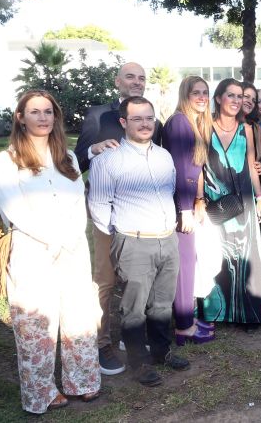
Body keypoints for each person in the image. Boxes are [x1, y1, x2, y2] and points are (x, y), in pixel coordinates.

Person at [0, 90, 100, 413]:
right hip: (32, 249)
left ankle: (82, 380)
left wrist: (71, 238)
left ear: (56, 117)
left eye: (48, 112)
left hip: (73, 247)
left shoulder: (66, 157)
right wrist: (50, 240)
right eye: (35, 112)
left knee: (78, 316)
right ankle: (41, 391)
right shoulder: (7, 161)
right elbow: (12, 207)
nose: (43, 118)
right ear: (20, 117)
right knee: (36, 324)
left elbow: (79, 200)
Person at [89, 96, 190, 387]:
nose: (145, 124)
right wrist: (122, 234)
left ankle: (161, 351)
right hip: (134, 241)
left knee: (162, 303)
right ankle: (138, 362)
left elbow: (169, 192)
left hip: (167, 239)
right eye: (137, 119)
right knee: (133, 308)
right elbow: (98, 206)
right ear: (123, 122)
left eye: (149, 118)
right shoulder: (108, 160)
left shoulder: (164, 156)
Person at [74, 61, 159, 376]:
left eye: (141, 77)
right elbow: (76, 161)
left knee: (137, 276)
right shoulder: (98, 115)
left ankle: (130, 334)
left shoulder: (151, 117)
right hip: (106, 213)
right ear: (117, 81)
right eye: (130, 77)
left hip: (140, 213)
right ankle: (101, 344)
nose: (137, 81)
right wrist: (94, 148)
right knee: (106, 279)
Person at [201, 78, 261, 328]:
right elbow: (198, 165)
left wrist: (260, 198)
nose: (236, 101)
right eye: (231, 95)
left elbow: (252, 166)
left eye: (240, 96)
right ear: (218, 98)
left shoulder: (247, 129)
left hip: (243, 199)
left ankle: (249, 313)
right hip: (215, 199)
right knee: (216, 253)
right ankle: (216, 312)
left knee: (246, 254)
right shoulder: (203, 125)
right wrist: (199, 199)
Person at [161, 76, 216, 345]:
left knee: (190, 261)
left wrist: (199, 200)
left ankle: (188, 318)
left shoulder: (195, 123)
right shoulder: (179, 122)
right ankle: (183, 327)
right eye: (196, 92)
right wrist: (185, 209)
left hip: (189, 203)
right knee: (183, 265)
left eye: (205, 92)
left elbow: (197, 169)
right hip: (178, 206)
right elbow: (181, 170)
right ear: (185, 94)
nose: (202, 97)